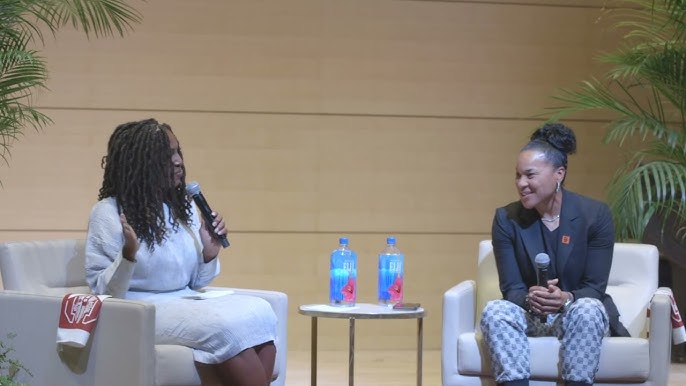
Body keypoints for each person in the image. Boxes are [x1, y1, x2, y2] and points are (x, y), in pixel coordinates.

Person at [85, 118, 277, 386]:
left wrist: (208, 254)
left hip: (184, 299)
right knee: (225, 329)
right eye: (167, 155)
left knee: (262, 312)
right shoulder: (107, 213)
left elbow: (196, 282)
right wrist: (128, 256)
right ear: (141, 162)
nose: (178, 161)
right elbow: (105, 295)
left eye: (178, 152)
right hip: (141, 308)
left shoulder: (181, 207)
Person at [480, 123, 629, 386]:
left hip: (576, 313)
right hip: (532, 314)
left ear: (558, 174)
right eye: (517, 176)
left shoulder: (595, 215)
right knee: (495, 311)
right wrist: (531, 299)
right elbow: (511, 288)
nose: (521, 184)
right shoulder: (506, 219)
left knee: (589, 309)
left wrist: (565, 298)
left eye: (530, 175)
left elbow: (594, 287)